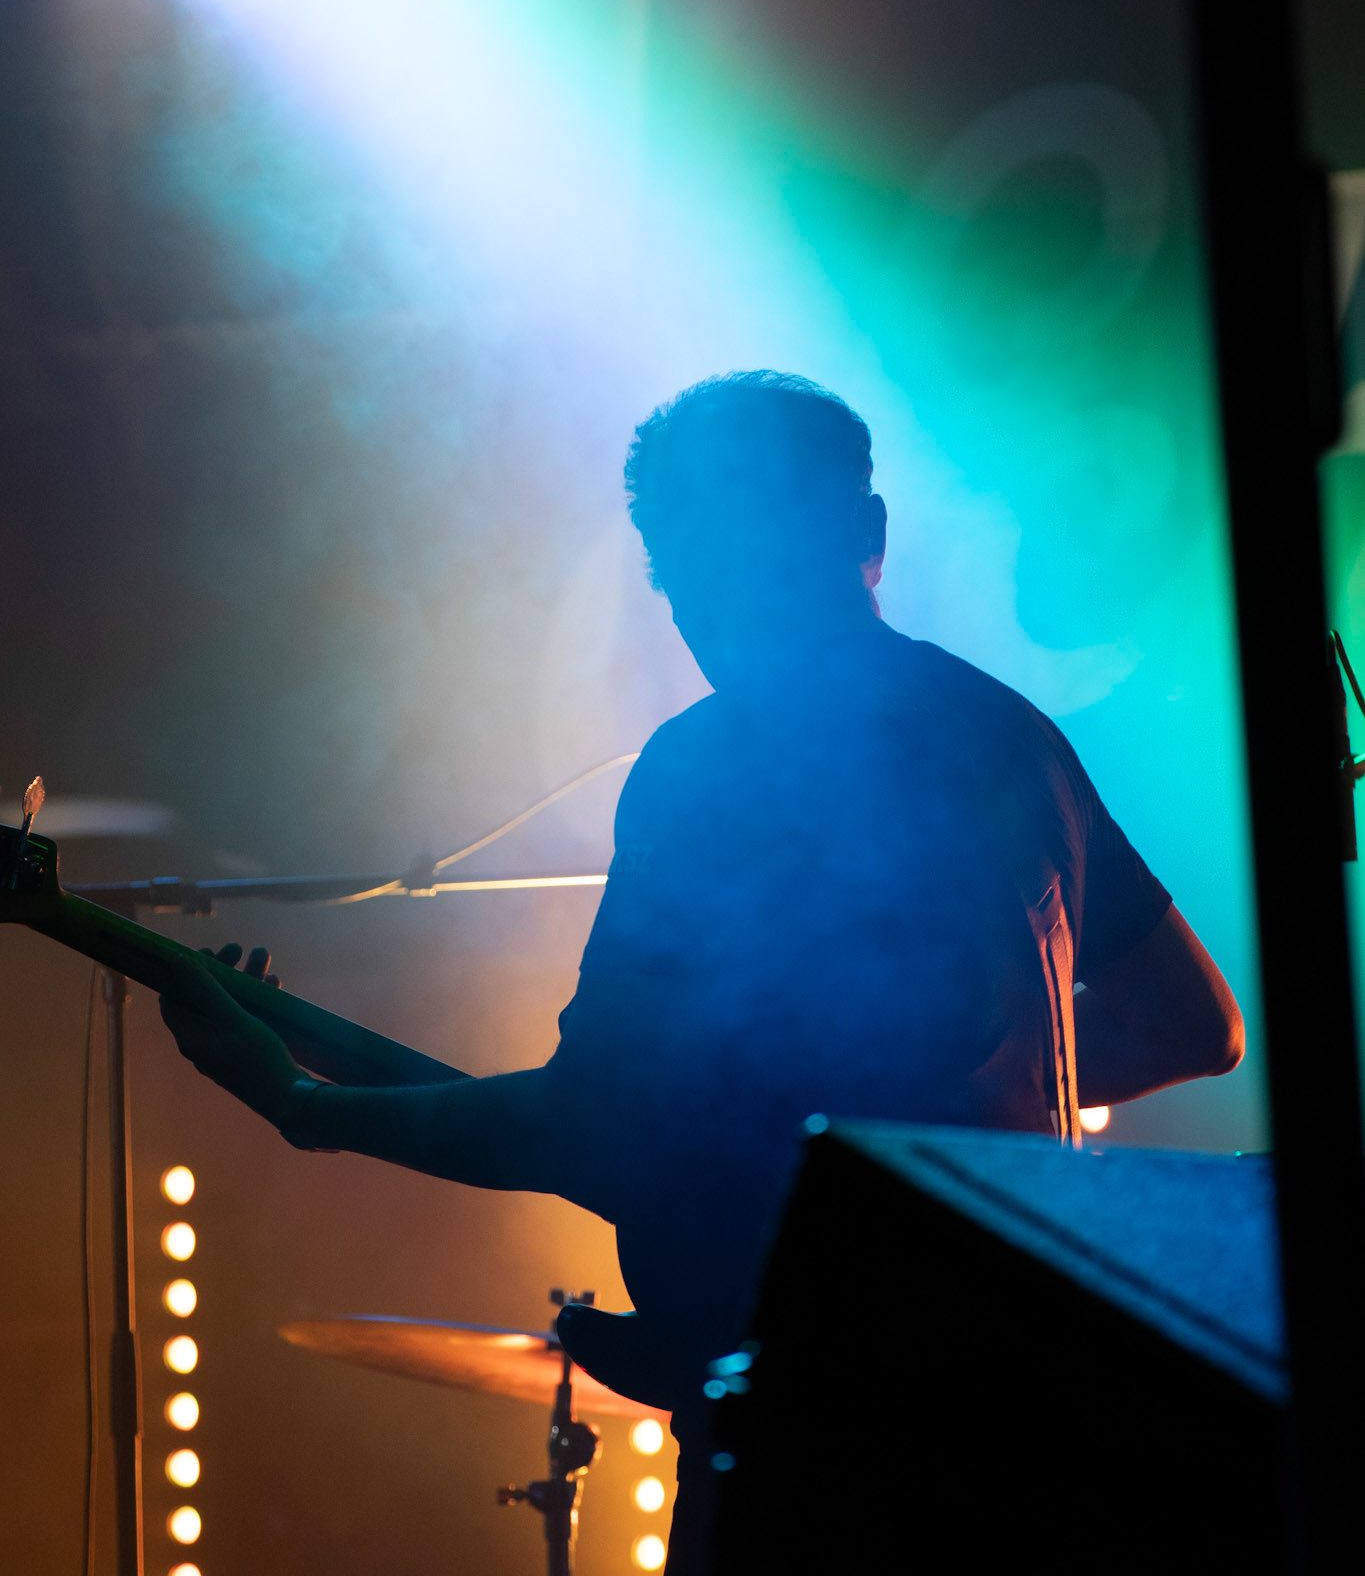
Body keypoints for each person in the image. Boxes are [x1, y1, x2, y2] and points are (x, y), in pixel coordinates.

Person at [160, 370, 1244, 1572]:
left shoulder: (714, 764)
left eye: (706, 567)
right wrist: (929, 1137)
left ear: (861, 534)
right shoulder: (1010, 734)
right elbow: (1195, 1024)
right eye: (680, 575)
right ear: (868, 533)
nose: (698, 612)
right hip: (1027, 1418)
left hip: (814, 1439)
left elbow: (586, 1124)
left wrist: (301, 1102)